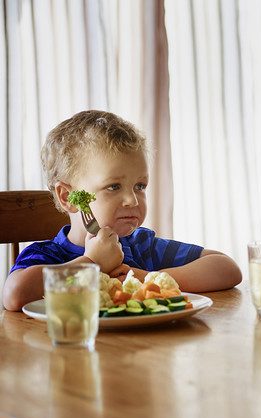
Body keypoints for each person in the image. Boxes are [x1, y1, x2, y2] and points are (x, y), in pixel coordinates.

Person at [3, 110, 242, 311]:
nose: (132, 199)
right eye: (113, 186)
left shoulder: (141, 246)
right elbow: (15, 295)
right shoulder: (49, 256)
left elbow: (227, 269)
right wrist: (91, 263)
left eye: (140, 186)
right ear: (69, 197)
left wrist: (147, 278)